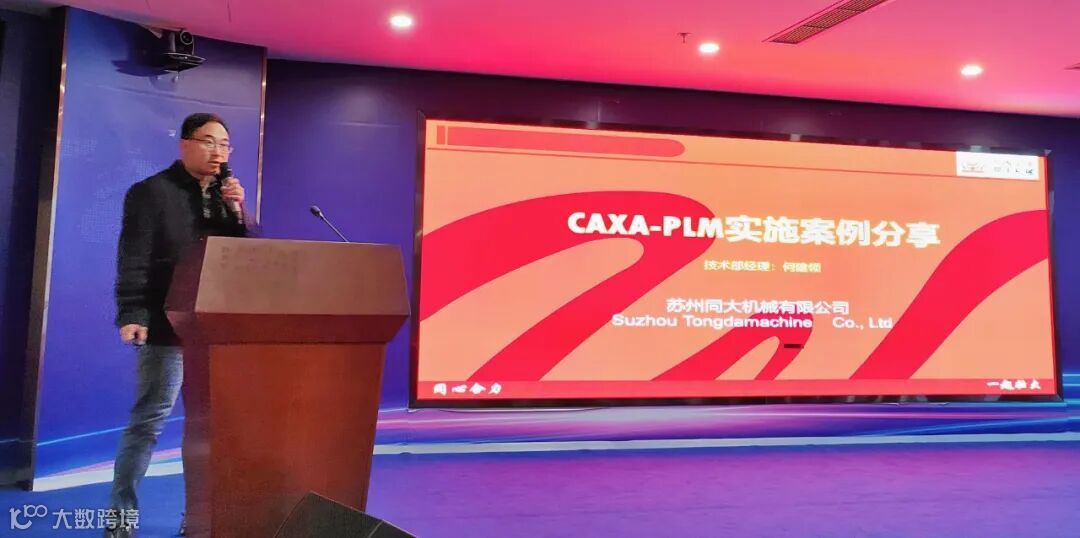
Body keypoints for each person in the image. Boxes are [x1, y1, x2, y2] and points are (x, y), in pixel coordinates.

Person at [106, 113, 252, 537]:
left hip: (215, 330)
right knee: (149, 420)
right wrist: (132, 313)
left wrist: (238, 211)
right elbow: (133, 256)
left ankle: (199, 519)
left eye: (224, 145)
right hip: (167, 323)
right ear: (185, 144)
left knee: (212, 427)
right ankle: (120, 517)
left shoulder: (225, 198)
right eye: (209, 142)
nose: (218, 152)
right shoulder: (151, 192)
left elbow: (243, 259)